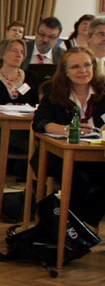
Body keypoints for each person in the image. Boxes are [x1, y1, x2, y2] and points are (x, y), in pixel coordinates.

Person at [32, 48, 105, 226]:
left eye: (87, 65)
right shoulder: (53, 90)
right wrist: (68, 130)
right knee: (79, 179)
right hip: (60, 155)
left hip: (98, 155)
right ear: (65, 71)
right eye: (75, 67)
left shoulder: (103, 89)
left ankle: (82, 224)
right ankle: (70, 228)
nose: (83, 71)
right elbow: (40, 122)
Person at [0, 38, 40, 108]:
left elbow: (35, 105)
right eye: (14, 51)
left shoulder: (31, 77)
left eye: (22, 52)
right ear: (2, 53)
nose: (19, 55)